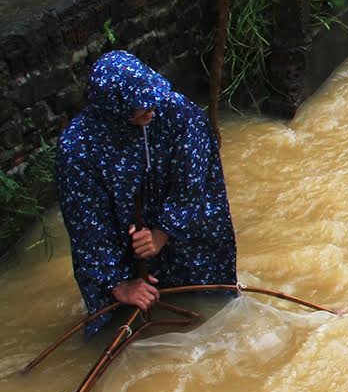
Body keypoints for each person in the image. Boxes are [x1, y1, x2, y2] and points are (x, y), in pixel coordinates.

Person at [56, 51, 237, 333]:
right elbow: (85, 220)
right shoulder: (79, 146)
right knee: (119, 323)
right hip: (122, 233)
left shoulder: (176, 112)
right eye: (140, 107)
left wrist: (162, 232)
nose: (151, 109)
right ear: (115, 108)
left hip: (179, 224)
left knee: (209, 308)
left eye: (152, 100)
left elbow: (193, 180)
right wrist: (117, 283)